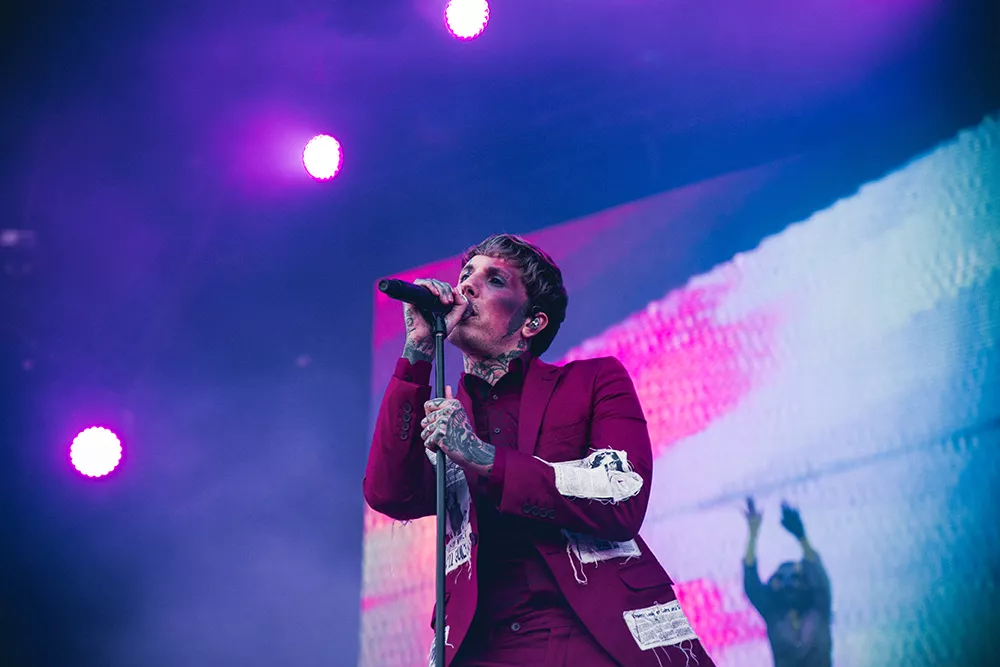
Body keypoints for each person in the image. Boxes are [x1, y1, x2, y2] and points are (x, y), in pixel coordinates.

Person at [363, 234, 715, 667]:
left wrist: (481, 455)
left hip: (591, 639)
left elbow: (622, 496)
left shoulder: (592, 381)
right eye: (466, 274)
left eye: (494, 280)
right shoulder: (446, 415)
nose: (467, 285)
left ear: (532, 322)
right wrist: (416, 349)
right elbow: (388, 494)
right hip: (479, 648)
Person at [743, 498, 832, 667]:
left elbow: (818, 575)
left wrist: (802, 537)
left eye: (795, 577)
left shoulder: (818, 607)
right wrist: (753, 534)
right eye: (781, 578)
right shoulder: (775, 613)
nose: (789, 584)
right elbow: (751, 584)